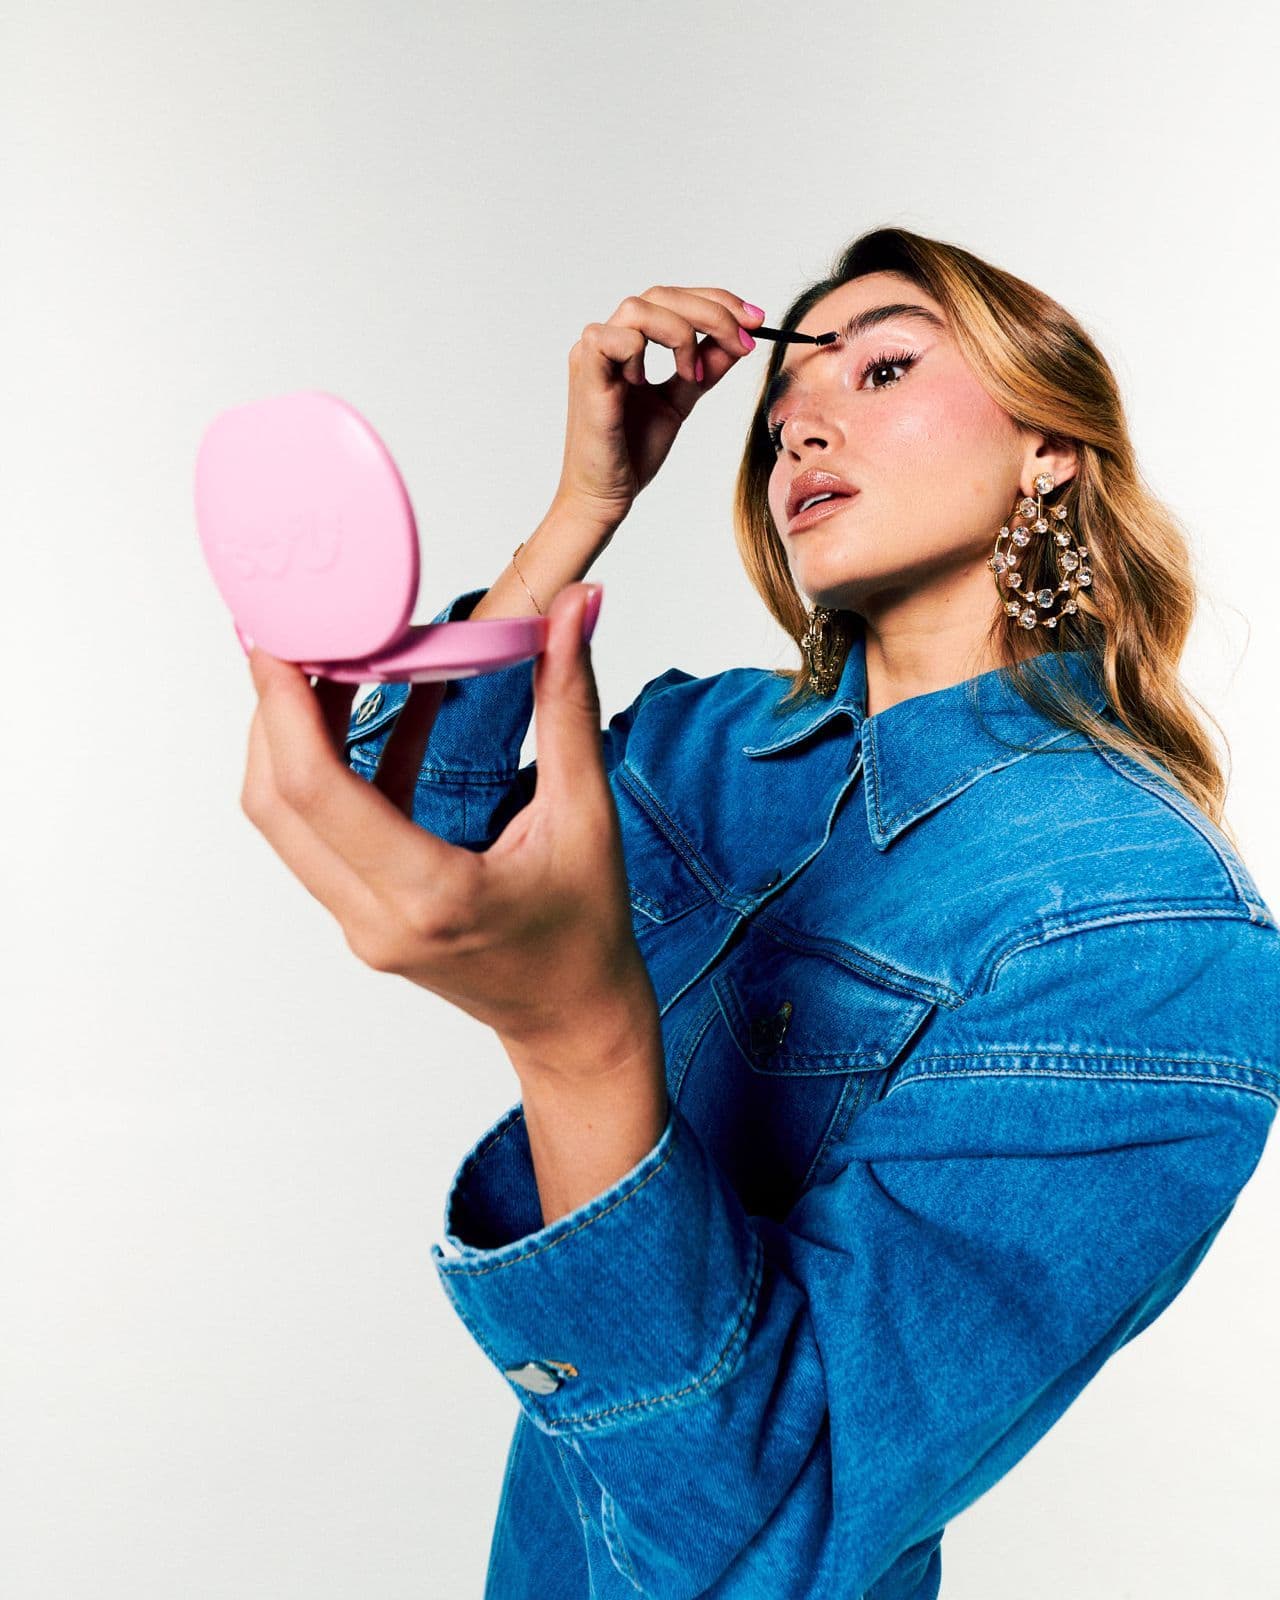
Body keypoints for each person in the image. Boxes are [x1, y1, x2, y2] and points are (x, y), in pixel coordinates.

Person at [245, 226, 1280, 1599]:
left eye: (885, 368)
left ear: (1050, 447)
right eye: (783, 407)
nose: (800, 428)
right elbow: (408, 825)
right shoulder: (711, 743)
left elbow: (785, 1523)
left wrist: (576, 1042)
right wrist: (582, 505)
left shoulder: (1142, 926)